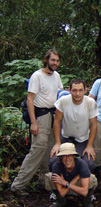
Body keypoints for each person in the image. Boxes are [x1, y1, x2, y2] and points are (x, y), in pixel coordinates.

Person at [11, 49, 63, 196]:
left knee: (50, 150)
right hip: (41, 116)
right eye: (53, 60)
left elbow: (60, 93)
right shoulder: (37, 76)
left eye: (58, 61)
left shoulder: (56, 75)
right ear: (46, 60)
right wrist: (33, 123)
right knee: (37, 150)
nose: (55, 63)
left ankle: (44, 181)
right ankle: (18, 185)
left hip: (54, 116)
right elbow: (30, 100)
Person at [49, 79, 99, 174]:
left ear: (85, 90)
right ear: (69, 90)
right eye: (74, 90)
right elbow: (57, 121)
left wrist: (89, 146)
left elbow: (93, 125)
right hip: (66, 137)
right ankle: (59, 184)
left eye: (80, 90)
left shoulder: (90, 103)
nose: (77, 94)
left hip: (83, 139)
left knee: (90, 163)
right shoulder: (63, 101)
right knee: (53, 162)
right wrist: (57, 143)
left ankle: (86, 185)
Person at [45, 143, 97, 207]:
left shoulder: (82, 164)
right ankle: (61, 201)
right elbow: (62, 193)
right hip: (65, 188)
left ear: (73, 156)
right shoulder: (56, 166)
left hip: (76, 187)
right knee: (51, 177)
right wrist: (74, 179)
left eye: (69, 155)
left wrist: (66, 183)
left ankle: (86, 201)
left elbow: (84, 192)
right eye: (64, 156)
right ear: (61, 157)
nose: (67, 159)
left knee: (91, 179)